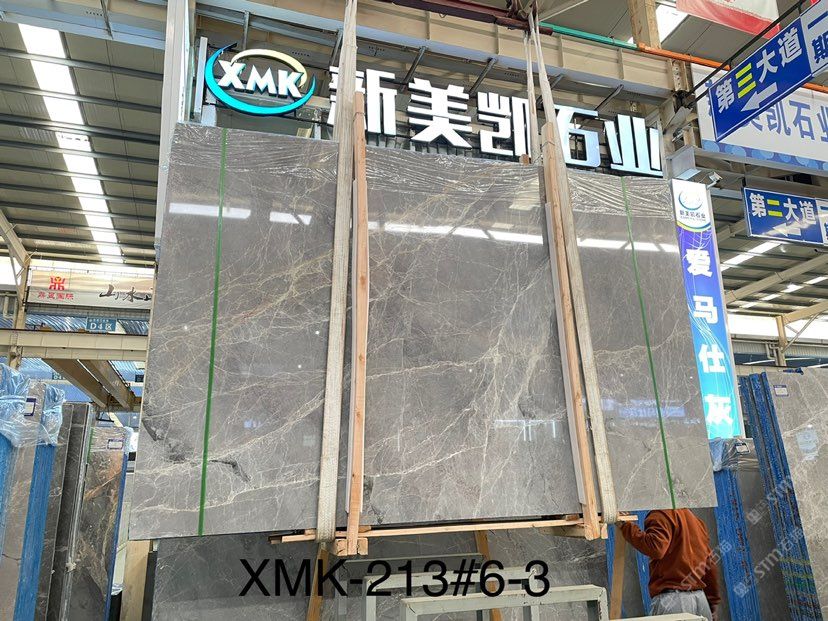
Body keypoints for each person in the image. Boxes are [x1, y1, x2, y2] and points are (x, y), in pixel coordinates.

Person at [619, 509, 720, 621]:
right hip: (700, 600)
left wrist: (627, 526)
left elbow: (656, 548)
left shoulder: (661, 515)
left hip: (674, 602)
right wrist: (712, 603)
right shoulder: (695, 521)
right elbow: (709, 565)